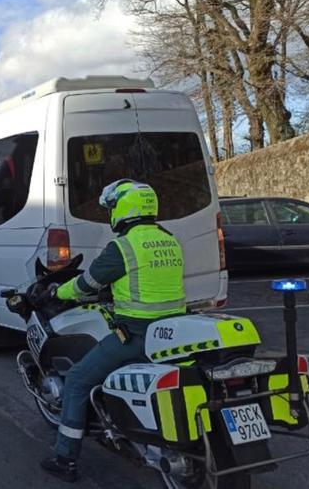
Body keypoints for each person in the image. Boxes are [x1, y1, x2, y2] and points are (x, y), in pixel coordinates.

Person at [39, 179, 187, 483]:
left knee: (79, 380)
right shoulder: (169, 239)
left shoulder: (123, 247)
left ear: (122, 208)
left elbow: (86, 284)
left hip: (136, 335)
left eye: (112, 208)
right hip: (176, 331)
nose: (110, 215)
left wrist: (56, 293)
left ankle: (65, 458)